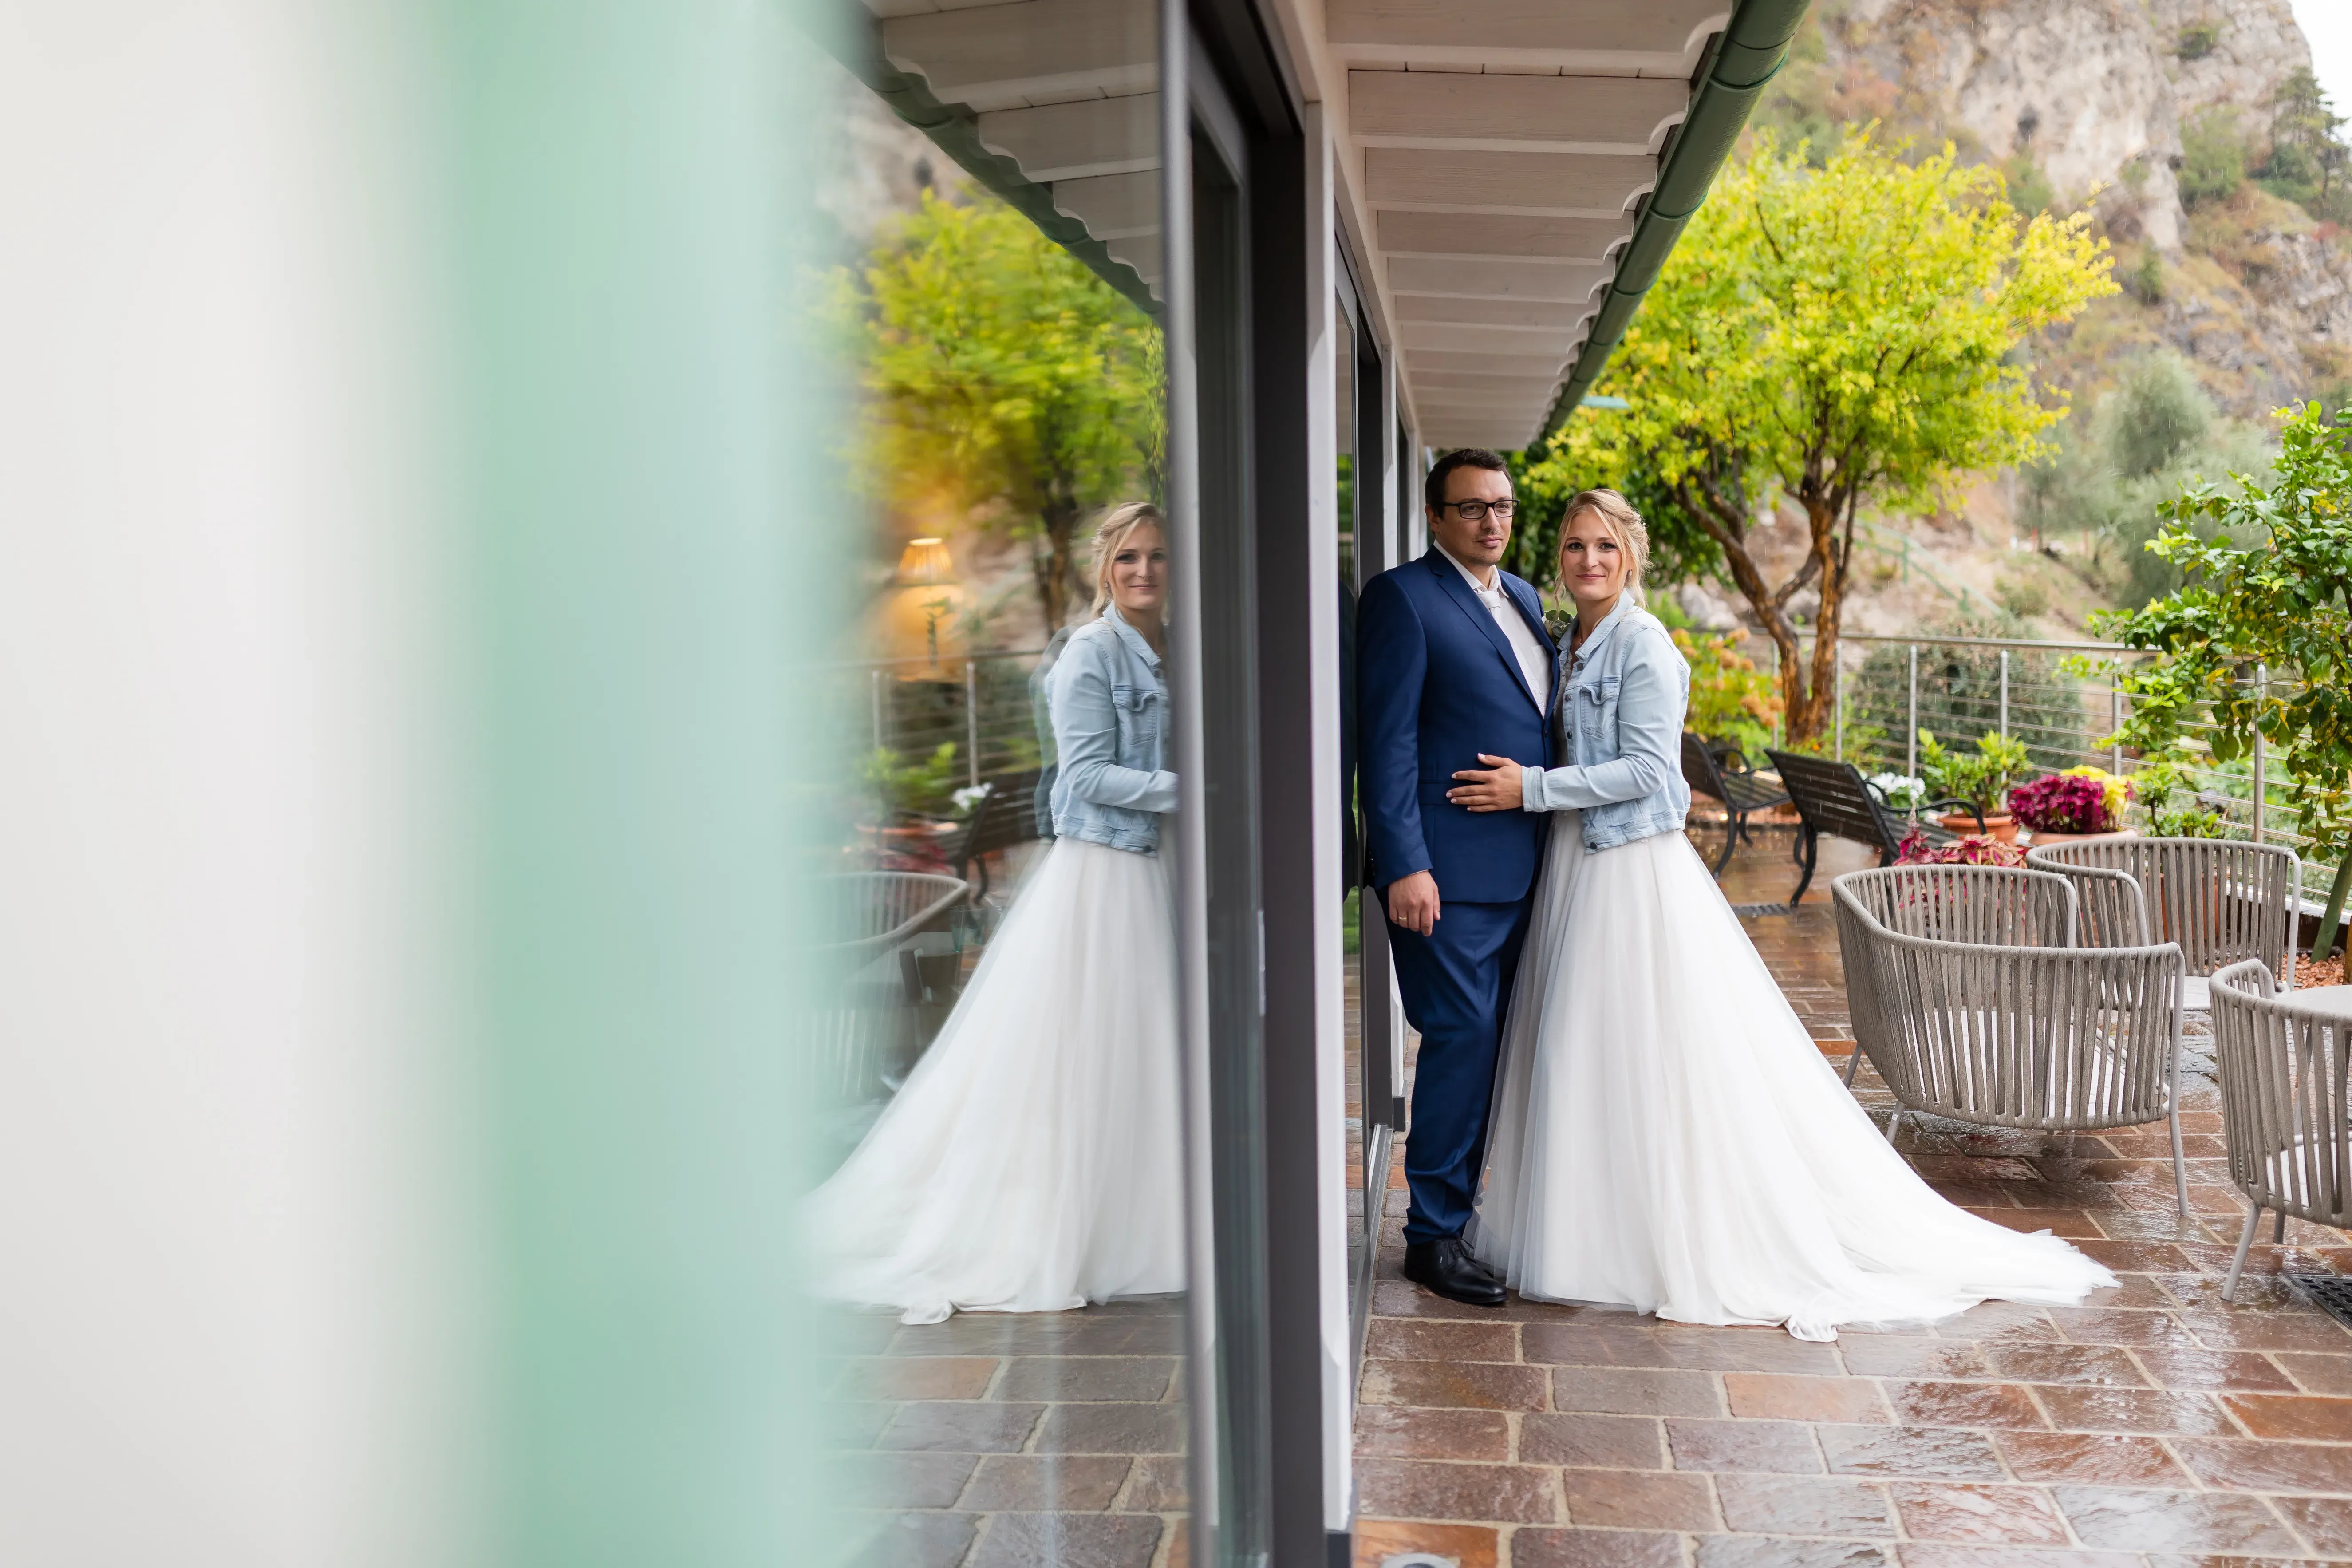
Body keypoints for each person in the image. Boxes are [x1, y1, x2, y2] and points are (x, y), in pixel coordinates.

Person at [1444, 489, 2115, 1339]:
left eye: (1605, 547)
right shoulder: (1571, 641)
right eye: (1576, 547)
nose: (1588, 562)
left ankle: (1652, 1239)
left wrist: (1529, 790)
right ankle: (1587, 1228)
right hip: (1575, 863)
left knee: (1633, 1053)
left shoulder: (1643, 646)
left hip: (1626, 870)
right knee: (1584, 1052)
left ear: (1632, 555)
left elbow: (1654, 775)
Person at [807, 503, 1184, 1324]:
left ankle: (1152, 1222)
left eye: (1157, 557)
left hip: (1157, 868)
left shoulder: (1170, 649)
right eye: (1128, 560)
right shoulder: (1090, 653)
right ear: (1104, 570)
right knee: (1090, 1054)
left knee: (1148, 1050)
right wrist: (1198, 791)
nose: (1145, 573)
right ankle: (1060, 1228)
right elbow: (1084, 778)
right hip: (1107, 872)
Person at [1357, 449, 1557, 1307]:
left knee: (1498, 1047)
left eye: (1504, 507)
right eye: (1472, 508)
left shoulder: (1524, 598)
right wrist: (1404, 862)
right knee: (1461, 1042)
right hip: (1444, 873)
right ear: (1435, 517)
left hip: (1527, 865)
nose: (1492, 522)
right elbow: (1387, 740)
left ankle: (1469, 1214)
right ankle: (1431, 1238)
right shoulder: (1401, 598)